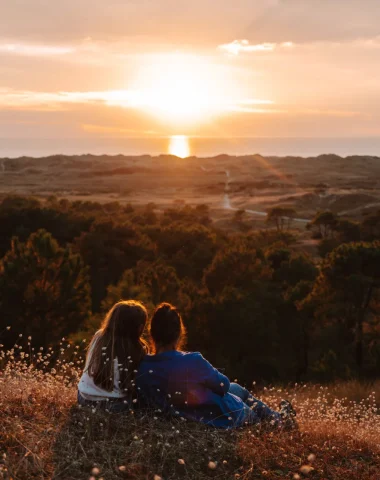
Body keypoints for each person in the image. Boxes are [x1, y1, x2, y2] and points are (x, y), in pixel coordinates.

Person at [137, 303, 296, 429]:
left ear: (151, 333)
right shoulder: (192, 361)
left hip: (187, 413)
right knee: (254, 413)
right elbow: (223, 385)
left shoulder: (143, 367)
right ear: (179, 333)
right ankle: (281, 421)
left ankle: (278, 415)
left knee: (238, 389)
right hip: (222, 415)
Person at [77, 300, 149, 413]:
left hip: (84, 398)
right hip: (115, 405)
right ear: (140, 328)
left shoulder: (98, 337)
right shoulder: (138, 349)